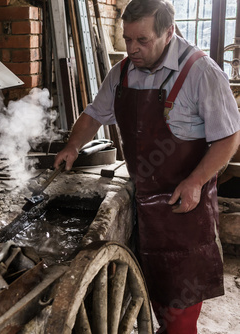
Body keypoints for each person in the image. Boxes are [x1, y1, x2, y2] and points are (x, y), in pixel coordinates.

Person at [54, 0, 240, 333]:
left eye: (143, 40)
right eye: (127, 39)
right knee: (141, 290)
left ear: (168, 32)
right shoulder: (122, 72)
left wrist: (196, 181)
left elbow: (228, 138)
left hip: (183, 206)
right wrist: (72, 145)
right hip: (140, 201)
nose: (133, 49)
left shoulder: (201, 72)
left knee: (179, 306)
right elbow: (95, 114)